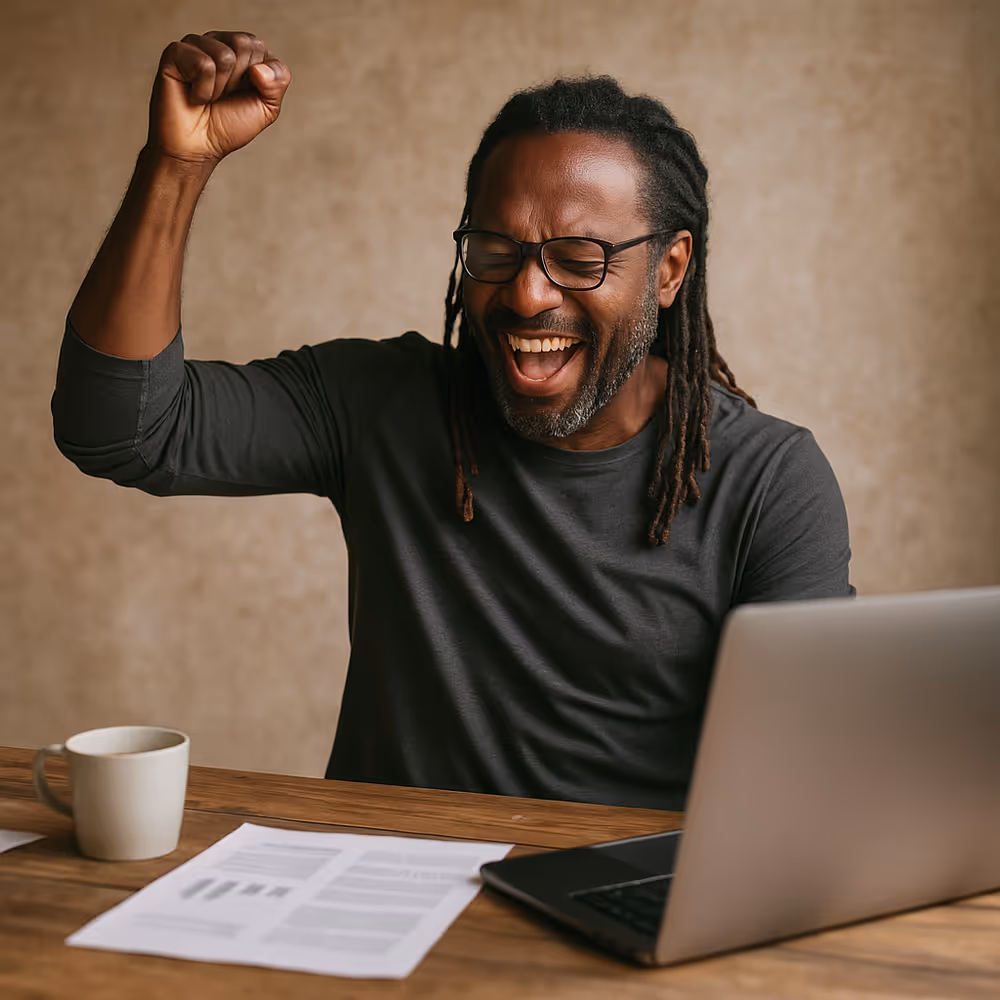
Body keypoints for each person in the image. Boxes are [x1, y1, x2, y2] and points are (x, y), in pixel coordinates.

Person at [52, 30, 853, 810]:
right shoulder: (382, 403)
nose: (527, 294)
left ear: (669, 268)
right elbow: (121, 426)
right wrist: (176, 167)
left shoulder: (768, 482)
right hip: (378, 898)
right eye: (495, 251)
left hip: (619, 911)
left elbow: (808, 783)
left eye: (580, 258)